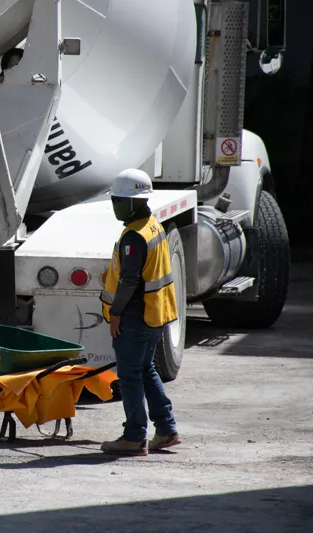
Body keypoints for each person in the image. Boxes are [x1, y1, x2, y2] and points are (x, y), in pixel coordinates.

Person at [99, 168, 182, 456]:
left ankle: (134, 437)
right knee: (145, 369)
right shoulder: (152, 225)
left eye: (117, 200)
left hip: (135, 316)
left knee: (130, 376)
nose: (114, 206)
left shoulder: (134, 237)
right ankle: (166, 429)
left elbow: (130, 281)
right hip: (155, 313)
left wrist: (117, 314)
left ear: (132, 201)